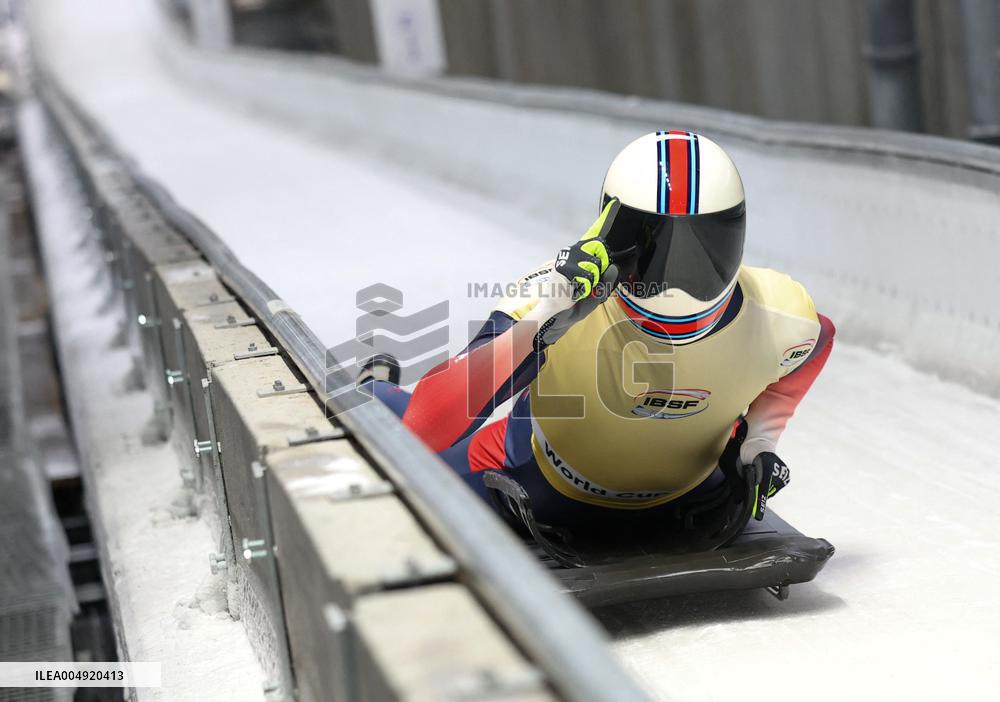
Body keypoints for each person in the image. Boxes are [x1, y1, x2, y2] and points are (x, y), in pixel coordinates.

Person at [364, 131, 834, 544]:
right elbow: (423, 428)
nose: (676, 280)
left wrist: (760, 442)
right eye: (657, 245)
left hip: (676, 493)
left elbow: (818, 341)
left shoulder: (782, 310)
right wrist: (543, 322)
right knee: (395, 432)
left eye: (702, 246)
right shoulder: (548, 296)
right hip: (540, 484)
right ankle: (377, 389)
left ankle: (379, 386)